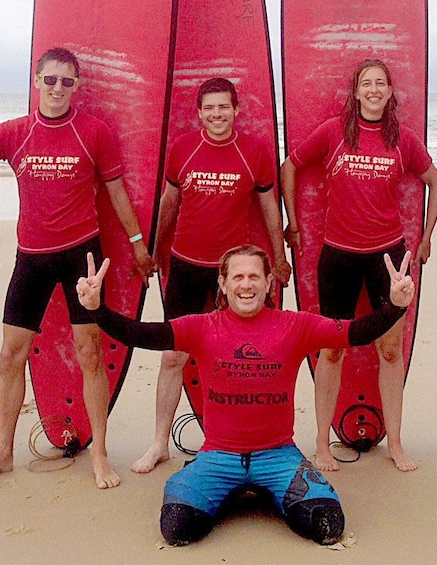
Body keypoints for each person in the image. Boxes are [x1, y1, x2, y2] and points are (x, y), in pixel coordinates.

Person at [76, 244, 414, 545]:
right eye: (237, 277)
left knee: (327, 525)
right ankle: (234, 487)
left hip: (278, 456)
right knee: (177, 528)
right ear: (223, 285)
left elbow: (355, 333)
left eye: (254, 276)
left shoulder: (295, 326)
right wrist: (96, 309)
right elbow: (142, 334)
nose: (246, 284)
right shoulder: (202, 327)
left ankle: (265, 488)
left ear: (269, 283)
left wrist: (396, 306)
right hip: (218, 456)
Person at [0, 47, 156, 489]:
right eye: (51, 79)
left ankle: (99, 453)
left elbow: (117, 194)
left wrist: (137, 244)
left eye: (67, 81)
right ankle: (2, 451)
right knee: (8, 357)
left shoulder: (93, 132)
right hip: (31, 259)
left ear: (77, 86)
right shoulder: (13, 133)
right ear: (36, 81)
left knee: (91, 355)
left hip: (83, 256)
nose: (58, 88)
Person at [281, 59, 437, 472]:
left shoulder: (403, 140)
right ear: (355, 93)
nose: (373, 90)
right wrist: (294, 223)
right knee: (331, 352)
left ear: (390, 92)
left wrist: (426, 238)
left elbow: (436, 182)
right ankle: (321, 443)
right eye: (365, 84)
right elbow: (289, 168)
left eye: (380, 84)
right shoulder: (333, 133)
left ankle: (397, 444)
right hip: (337, 255)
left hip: (388, 257)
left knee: (390, 350)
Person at [132, 78, 290, 474]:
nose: (217, 114)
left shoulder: (254, 152)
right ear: (199, 113)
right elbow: (169, 202)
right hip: (185, 264)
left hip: (233, 273)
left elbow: (269, 208)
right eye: (209, 108)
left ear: (237, 110)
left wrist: (279, 256)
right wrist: (154, 250)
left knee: (241, 357)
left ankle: (247, 441)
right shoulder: (183, 149)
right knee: (173, 356)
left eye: (224, 107)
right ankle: (158, 444)